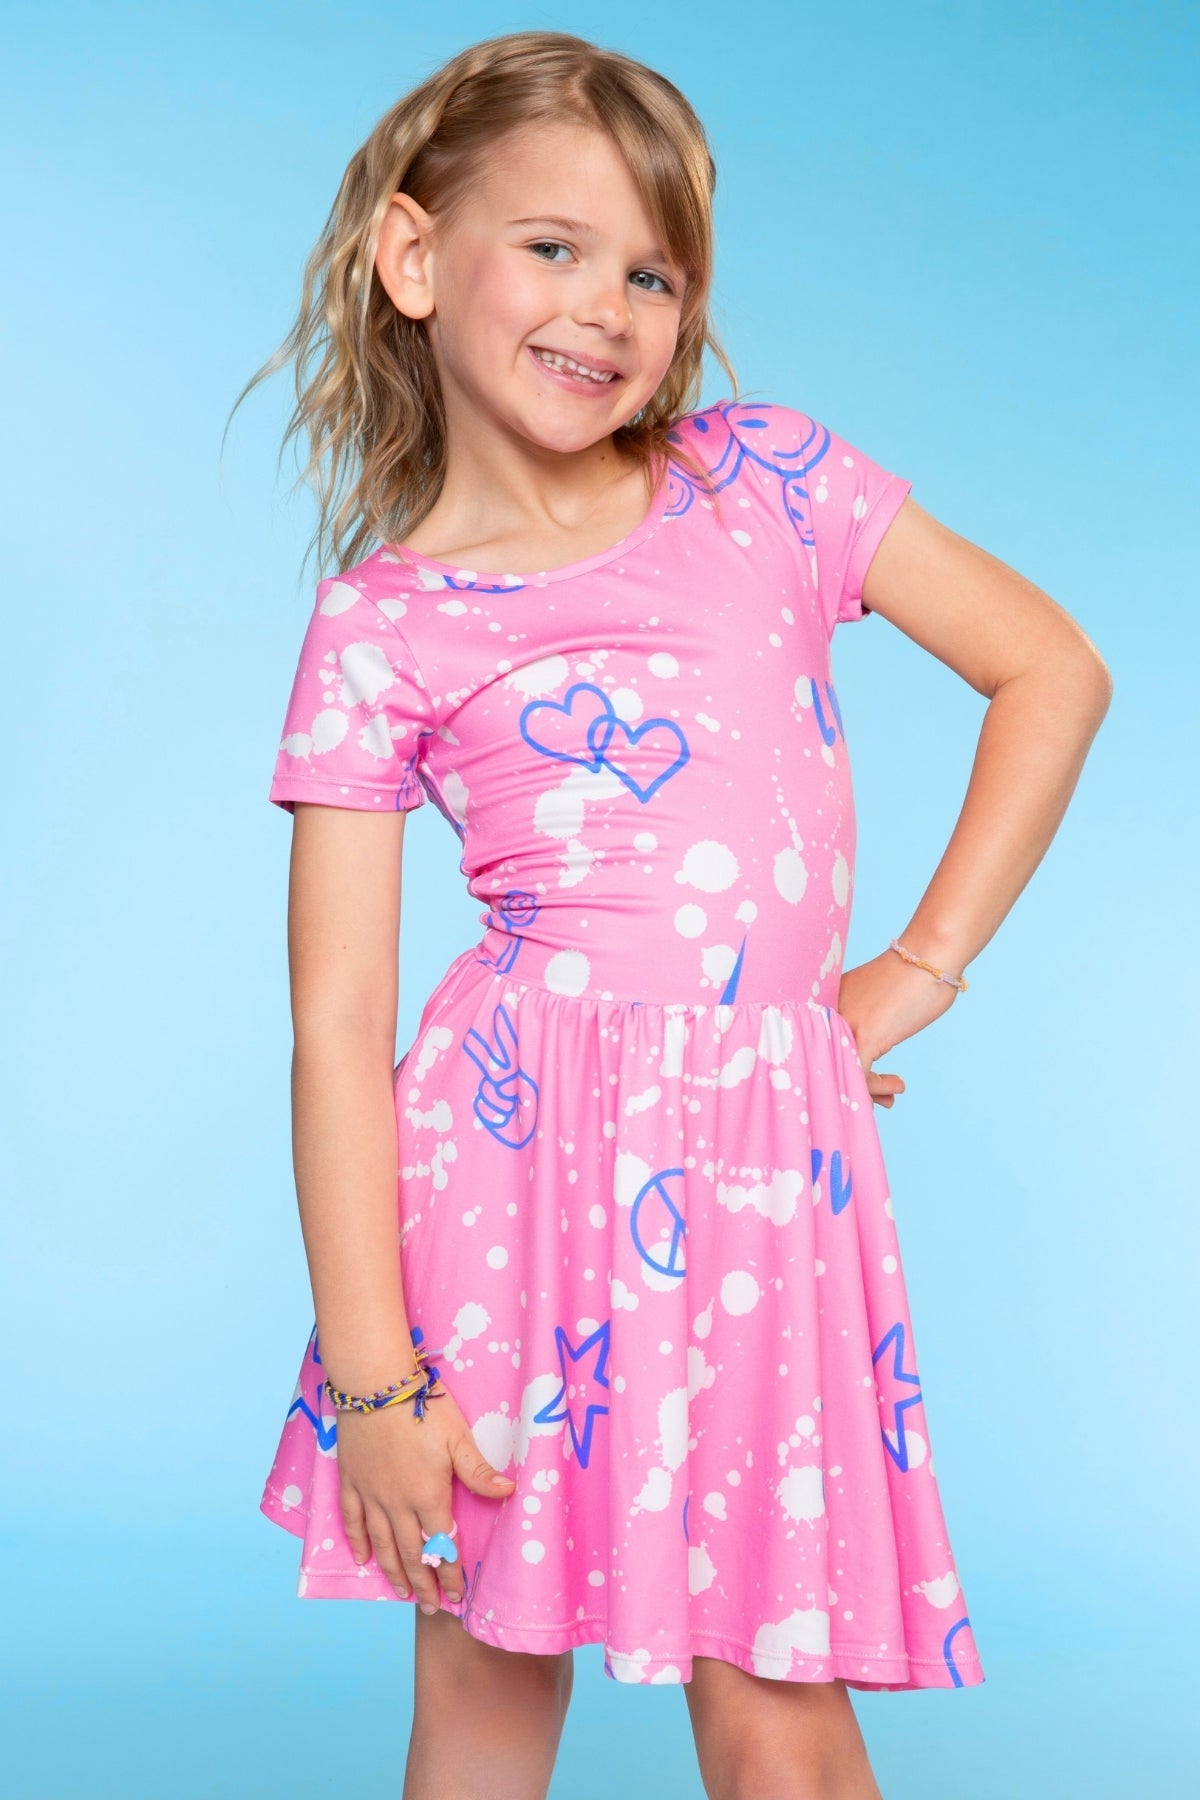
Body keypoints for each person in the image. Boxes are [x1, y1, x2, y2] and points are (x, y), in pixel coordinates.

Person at [232, 28, 1112, 1800]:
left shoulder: (766, 481)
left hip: (764, 1177)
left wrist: (911, 972)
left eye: (650, 271)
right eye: (552, 246)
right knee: (485, 1688)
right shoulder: (387, 623)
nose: (607, 306)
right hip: (509, 1175)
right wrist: (377, 1380)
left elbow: (1052, 670)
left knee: (779, 1704)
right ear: (414, 257)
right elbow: (338, 1024)